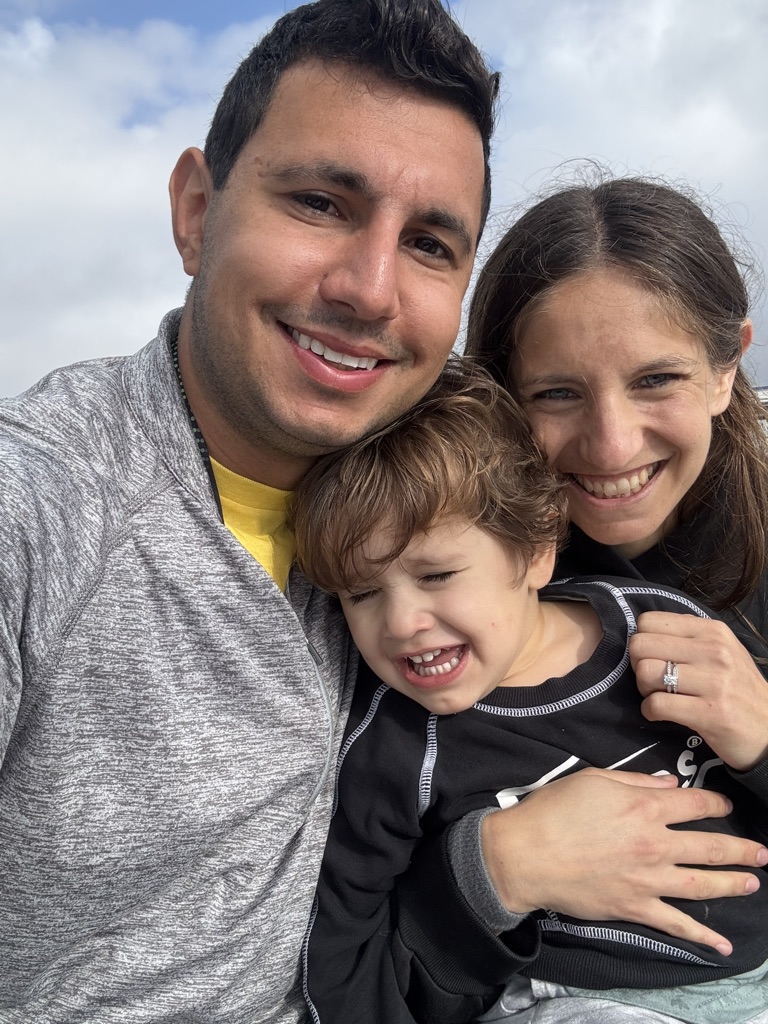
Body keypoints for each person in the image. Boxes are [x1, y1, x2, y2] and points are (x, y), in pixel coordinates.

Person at [0, 2, 499, 1020]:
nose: (371, 288)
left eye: (431, 244)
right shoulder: (39, 505)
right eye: (320, 201)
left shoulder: (442, 514)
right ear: (195, 209)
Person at [290, 362, 768, 1024]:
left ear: (537, 548)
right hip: (579, 1002)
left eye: (436, 574)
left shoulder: (662, 626)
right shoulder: (396, 748)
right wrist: (488, 878)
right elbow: (340, 967)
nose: (399, 624)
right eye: (362, 593)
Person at [433, 176, 768, 1022]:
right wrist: (499, 864)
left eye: (657, 379)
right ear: (502, 397)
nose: (611, 443)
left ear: (730, 365)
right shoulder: (437, 577)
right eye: (557, 393)